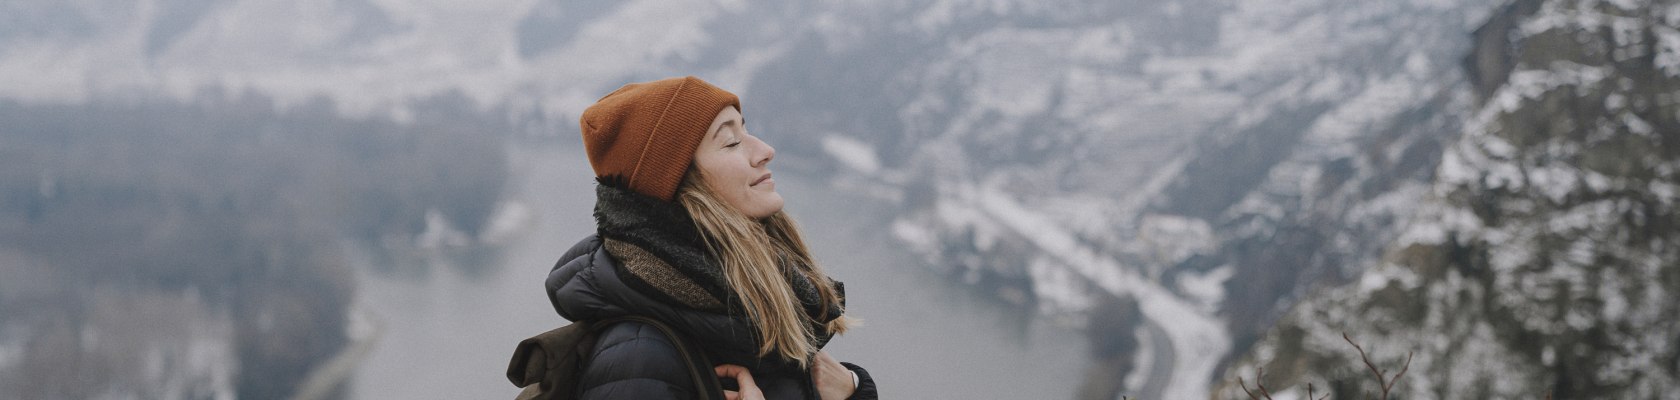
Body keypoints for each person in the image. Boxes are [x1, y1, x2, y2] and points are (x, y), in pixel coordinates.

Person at [545, 76, 878, 399]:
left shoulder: (748, 311)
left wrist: (852, 391)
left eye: (746, 130)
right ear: (677, 186)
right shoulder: (640, 358)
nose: (765, 150)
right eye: (731, 141)